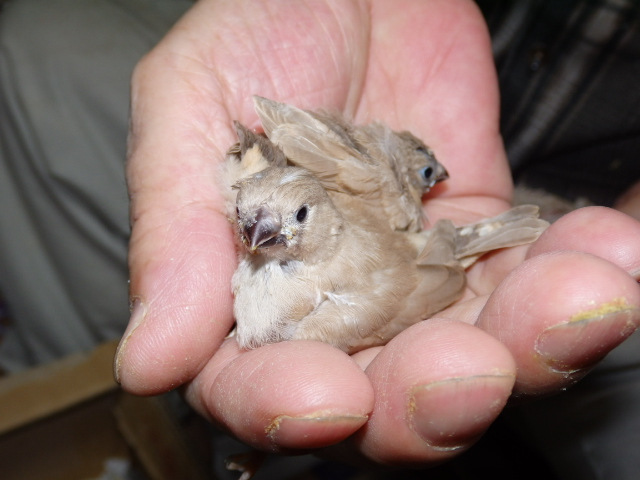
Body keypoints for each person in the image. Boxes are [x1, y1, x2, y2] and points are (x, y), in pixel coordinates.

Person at [1, 0, 640, 476]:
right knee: (38, 45)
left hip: (595, 195)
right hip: (445, 56)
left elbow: (422, 276)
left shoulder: (331, 305)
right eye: (249, 219)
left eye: (288, 222)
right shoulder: (284, 214)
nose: (258, 235)